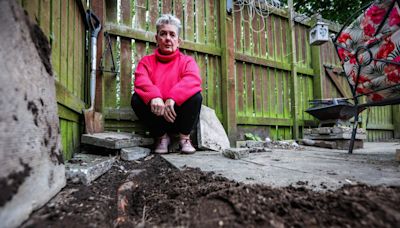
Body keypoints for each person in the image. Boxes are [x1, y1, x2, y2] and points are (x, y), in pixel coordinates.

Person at [131, 14, 202, 154]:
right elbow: (141, 80)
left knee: (196, 96)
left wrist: (173, 97)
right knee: (136, 99)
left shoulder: (187, 61)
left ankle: (184, 139)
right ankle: (162, 138)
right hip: (157, 118)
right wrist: (154, 96)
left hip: (178, 117)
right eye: (163, 34)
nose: (168, 38)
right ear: (156, 39)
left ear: (178, 41)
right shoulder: (146, 62)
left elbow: (193, 80)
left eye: (172, 34)